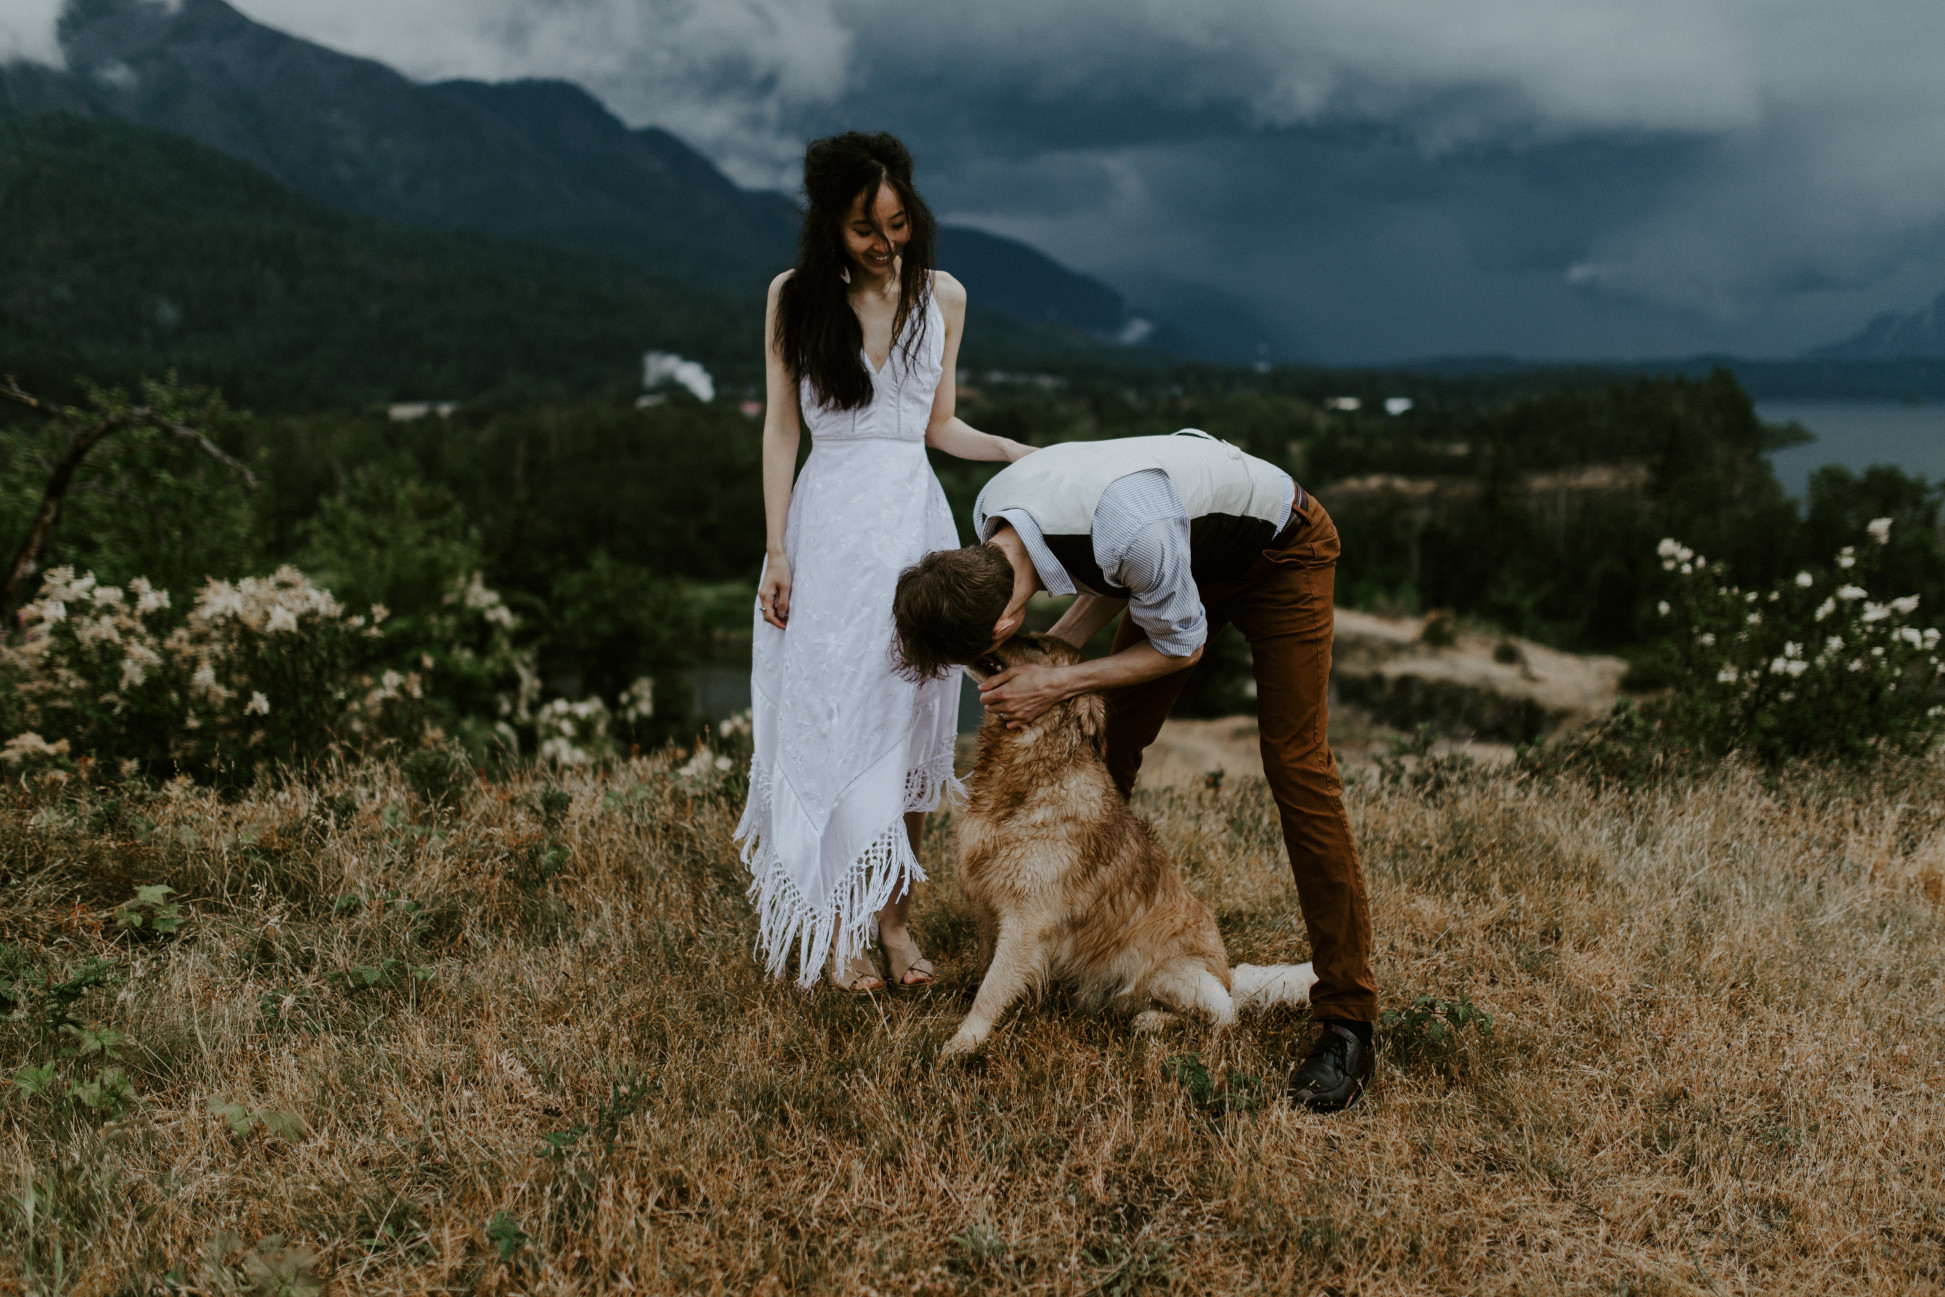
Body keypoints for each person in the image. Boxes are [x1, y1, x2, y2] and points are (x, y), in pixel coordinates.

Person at [889, 430, 1377, 1110]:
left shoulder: (1133, 530)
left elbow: (1182, 646)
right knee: (1102, 744)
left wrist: (1054, 681)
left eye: (983, 658)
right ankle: (1082, 937)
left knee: (1297, 770)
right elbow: (1102, 575)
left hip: (1279, 551)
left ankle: (1348, 1019)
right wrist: (1058, 661)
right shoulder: (993, 515)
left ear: (1000, 620)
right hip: (1175, 549)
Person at [735, 131, 1034, 994]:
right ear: (830, 224)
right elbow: (781, 428)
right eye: (866, 228)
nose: (885, 243)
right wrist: (777, 548)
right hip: (827, 531)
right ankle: (832, 924)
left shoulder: (943, 297)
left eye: (897, 223)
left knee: (911, 716)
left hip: (913, 529)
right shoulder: (792, 297)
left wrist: (1013, 449)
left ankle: (892, 920)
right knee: (834, 712)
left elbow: (939, 425)